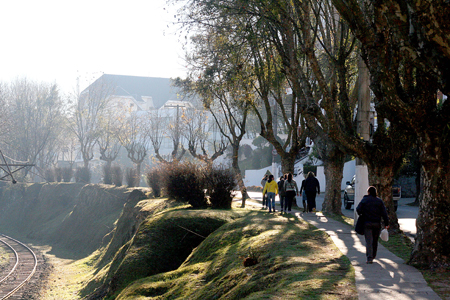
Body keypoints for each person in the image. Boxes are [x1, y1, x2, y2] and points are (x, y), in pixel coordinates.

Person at [356, 186, 389, 264]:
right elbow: (384, 213)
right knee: (375, 241)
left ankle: (369, 258)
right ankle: (373, 255)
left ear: (368, 192)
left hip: (367, 223)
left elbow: (358, 209)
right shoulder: (379, 201)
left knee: (369, 241)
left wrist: (362, 214)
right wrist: (386, 223)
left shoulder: (365, 200)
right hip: (377, 223)